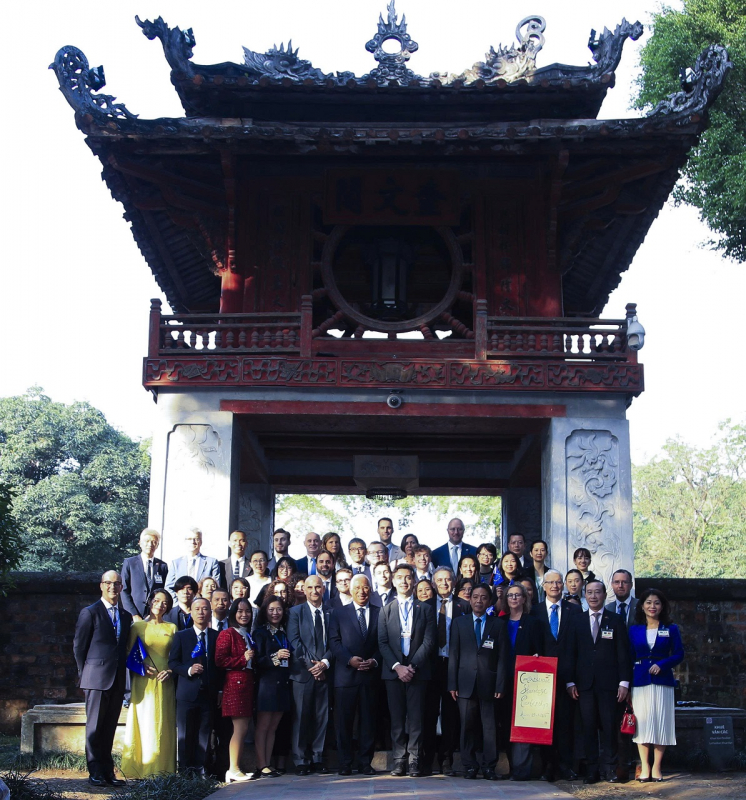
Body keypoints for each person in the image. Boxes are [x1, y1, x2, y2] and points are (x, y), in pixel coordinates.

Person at [567, 579, 631, 785]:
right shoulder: (576, 620)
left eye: (597, 592)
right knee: (588, 727)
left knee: (610, 727)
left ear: (604, 595)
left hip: (609, 685)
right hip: (584, 685)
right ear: (585, 595)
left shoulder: (616, 620)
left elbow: (623, 653)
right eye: (590, 593)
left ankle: (610, 769)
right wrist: (570, 682)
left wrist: (624, 683)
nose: (593, 596)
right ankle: (591, 770)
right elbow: (571, 654)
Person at [73, 570, 133, 786]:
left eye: (117, 584)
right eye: (108, 583)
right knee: (95, 727)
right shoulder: (90, 612)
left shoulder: (125, 617)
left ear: (121, 587)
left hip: (117, 679)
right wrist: (85, 673)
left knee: (109, 727)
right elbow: (79, 647)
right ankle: (95, 771)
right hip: (95, 679)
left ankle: (108, 772)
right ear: (101, 585)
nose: (112, 587)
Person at [378, 563, 436, 777]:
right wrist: (397, 667)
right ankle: (399, 760)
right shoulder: (386, 609)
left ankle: (414, 760)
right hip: (393, 672)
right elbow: (382, 642)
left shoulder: (426, 609)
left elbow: (429, 641)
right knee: (396, 718)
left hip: (417, 671)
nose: (403, 581)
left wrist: (411, 666)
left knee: (416, 718)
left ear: (414, 580)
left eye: (408, 577)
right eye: (399, 577)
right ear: (393, 581)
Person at [448, 583, 508, 780]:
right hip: (464, 683)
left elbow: (502, 657)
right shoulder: (459, 623)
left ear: (489, 601)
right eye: (475, 596)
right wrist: (452, 684)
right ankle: (469, 765)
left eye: (483, 597)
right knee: (467, 726)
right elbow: (454, 655)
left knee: (489, 727)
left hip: (489, 684)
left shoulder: (497, 624)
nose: (479, 601)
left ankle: (489, 766)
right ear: (470, 599)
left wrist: (500, 684)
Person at [629, 588, 684, 782]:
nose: (653, 606)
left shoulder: (671, 628)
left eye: (657, 603)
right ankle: (644, 766)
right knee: (642, 725)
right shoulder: (634, 629)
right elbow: (629, 656)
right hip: (640, 681)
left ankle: (657, 767)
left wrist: (662, 664)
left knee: (661, 723)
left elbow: (679, 654)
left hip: (663, 682)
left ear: (662, 606)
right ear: (642, 606)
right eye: (649, 603)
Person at [328, 574, 382, 775]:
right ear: (350, 590)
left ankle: (365, 762)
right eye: (357, 587)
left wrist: (375, 660)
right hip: (345, 676)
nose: (362, 591)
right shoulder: (338, 613)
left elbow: (383, 642)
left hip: (370, 676)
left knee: (368, 722)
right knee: (343, 722)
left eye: (365, 587)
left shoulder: (380, 613)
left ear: (370, 589)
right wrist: (348, 659)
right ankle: (345, 763)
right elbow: (334, 641)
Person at [121, 589, 177, 778]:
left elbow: (176, 656)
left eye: (165, 602)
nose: (160, 604)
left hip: (165, 680)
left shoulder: (172, 628)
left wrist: (170, 671)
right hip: (143, 680)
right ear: (150, 601)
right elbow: (129, 654)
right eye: (157, 600)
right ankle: (140, 768)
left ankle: (163, 770)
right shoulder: (137, 627)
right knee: (144, 722)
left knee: (164, 723)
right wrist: (141, 667)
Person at [534, 569, 582, 782]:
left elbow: (577, 647)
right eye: (550, 583)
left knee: (565, 724)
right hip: (541, 677)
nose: (554, 586)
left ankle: (566, 766)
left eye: (558, 582)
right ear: (543, 586)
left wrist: (572, 678)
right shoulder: (534, 612)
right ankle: (547, 767)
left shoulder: (574, 612)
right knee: (544, 724)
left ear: (563, 585)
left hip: (566, 677)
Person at [168, 597, 223, 773]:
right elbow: (173, 663)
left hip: (209, 693)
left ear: (210, 612)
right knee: (185, 734)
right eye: (197, 609)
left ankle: (202, 768)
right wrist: (189, 670)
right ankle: (185, 770)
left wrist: (220, 689)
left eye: (205, 609)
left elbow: (220, 666)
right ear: (190, 612)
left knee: (204, 733)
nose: (201, 612)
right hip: (187, 693)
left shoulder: (216, 636)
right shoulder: (181, 636)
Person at [287, 575, 332, 775]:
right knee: (301, 717)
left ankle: (317, 757)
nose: (314, 591)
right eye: (310, 587)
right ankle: (300, 760)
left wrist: (324, 663)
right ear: (304, 590)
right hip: (303, 674)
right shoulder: (295, 613)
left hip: (326, 671)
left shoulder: (332, 612)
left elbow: (336, 641)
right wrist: (313, 667)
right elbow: (295, 642)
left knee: (322, 717)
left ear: (324, 589)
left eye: (318, 587)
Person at [499, 582, 543, 781]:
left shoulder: (533, 622)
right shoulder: (499, 622)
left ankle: (522, 769)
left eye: (518, 595)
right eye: (510, 595)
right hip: (503, 680)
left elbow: (541, 649)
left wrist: (536, 656)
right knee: (506, 723)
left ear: (525, 599)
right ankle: (512, 766)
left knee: (523, 725)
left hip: (527, 681)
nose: (514, 599)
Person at [215, 598, 256, 783]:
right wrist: (242, 658)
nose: (244, 614)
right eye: (240, 611)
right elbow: (220, 660)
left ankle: (236, 767)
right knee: (239, 728)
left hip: (247, 684)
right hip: (235, 684)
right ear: (233, 614)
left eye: (247, 611)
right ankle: (233, 769)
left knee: (244, 727)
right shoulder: (227, 633)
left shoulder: (247, 634)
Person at [253, 596, 293, 779]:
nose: (275, 613)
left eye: (279, 609)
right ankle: (261, 764)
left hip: (283, 684)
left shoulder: (284, 633)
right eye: (271, 609)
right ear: (265, 612)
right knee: (263, 726)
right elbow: (257, 661)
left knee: (273, 727)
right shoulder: (260, 633)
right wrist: (276, 657)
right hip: (266, 685)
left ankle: (268, 762)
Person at [431, 567, 464, 776]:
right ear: (433, 583)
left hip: (455, 666)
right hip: (431, 666)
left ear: (454, 582)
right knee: (429, 712)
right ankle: (428, 758)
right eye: (440, 580)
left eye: (448, 580)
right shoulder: (423, 606)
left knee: (451, 715)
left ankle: (447, 759)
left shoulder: (464, 606)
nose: (444, 583)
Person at [121, 529, 168, 621]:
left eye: (154, 542)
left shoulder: (162, 566)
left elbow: (164, 590)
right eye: (147, 541)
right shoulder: (130, 563)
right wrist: (133, 614)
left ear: (157, 545)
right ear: (140, 543)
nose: (150, 545)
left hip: (154, 616)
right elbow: (124, 589)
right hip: (133, 615)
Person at [165, 528, 220, 597]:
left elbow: (216, 587)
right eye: (189, 539)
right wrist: (179, 603)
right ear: (185, 541)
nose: (193, 542)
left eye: (196, 538)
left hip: (202, 604)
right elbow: (168, 587)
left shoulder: (211, 562)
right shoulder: (176, 563)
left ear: (201, 542)